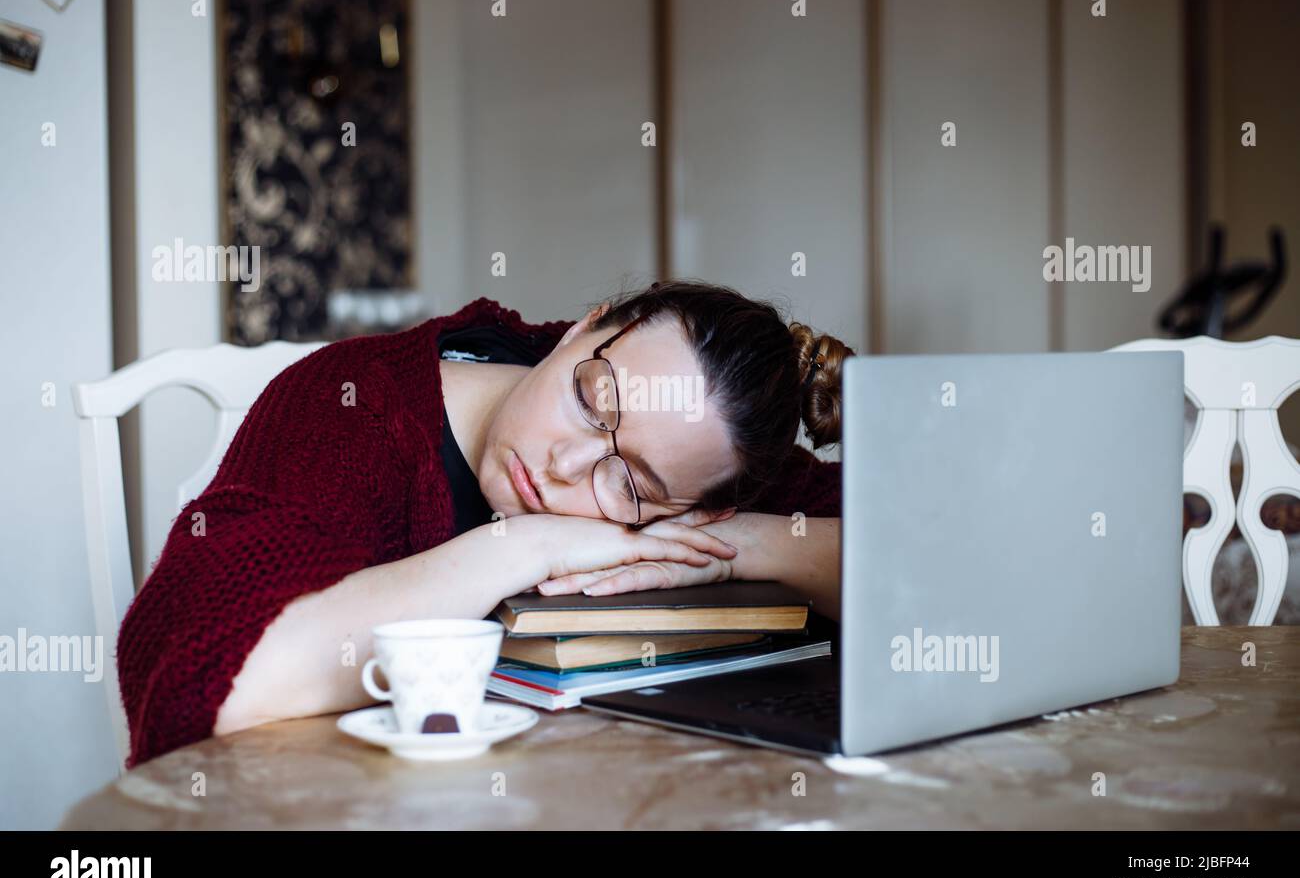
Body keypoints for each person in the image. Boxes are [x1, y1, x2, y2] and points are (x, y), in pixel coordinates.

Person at [116, 280, 853, 766]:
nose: (567, 462)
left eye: (628, 482)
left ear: (698, 509)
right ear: (583, 330)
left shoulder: (704, 466)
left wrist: (738, 549)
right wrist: (526, 543)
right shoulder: (353, 406)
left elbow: (932, 567)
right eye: (593, 402)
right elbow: (200, 687)